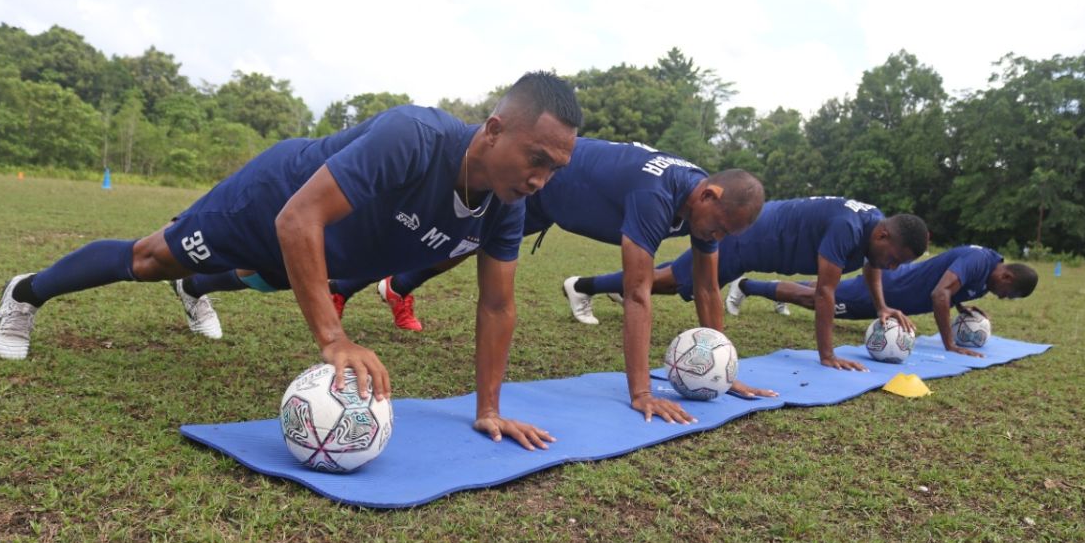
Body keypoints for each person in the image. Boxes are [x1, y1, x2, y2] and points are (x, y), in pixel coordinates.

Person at [0, 72, 581, 450]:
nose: (540, 179)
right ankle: (25, 294)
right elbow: (298, 220)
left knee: (265, 278)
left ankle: (198, 289)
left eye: (555, 168)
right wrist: (334, 338)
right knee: (149, 260)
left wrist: (489, 410)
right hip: (271, 202)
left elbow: (498, 304)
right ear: (493, 130)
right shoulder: (414, 137)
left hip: (331, 246)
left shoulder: (506, 204)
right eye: (536, 159)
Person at [330, 138, 770, 422]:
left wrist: (725, 369)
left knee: (463, 247)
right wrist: (640, 392)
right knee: (448, 240)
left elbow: (708, 287)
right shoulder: (657, 194)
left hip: (555, 202)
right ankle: (343, 285)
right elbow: (636, 293)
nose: (717, 238)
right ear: (709, 195)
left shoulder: (704, 211)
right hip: (540, 183)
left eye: (726, 235)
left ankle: (397, 287)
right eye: (720, 229)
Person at [578, 196, 930, 371]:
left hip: (758, 244)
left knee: (674, 277)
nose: (892, 266)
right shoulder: (849, 228)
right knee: (673, 281)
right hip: (747, 240)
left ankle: (611, 286)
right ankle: (584, 286)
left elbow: (873, 264)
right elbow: (825, 292)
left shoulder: (876, 229)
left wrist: (882, 305)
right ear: (884, 234)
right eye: (895, 259)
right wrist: (827, 355)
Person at [732, 245, 1038, 357]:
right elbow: (939, 294)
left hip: (892, 296)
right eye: (1008, 293)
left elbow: (952, 290)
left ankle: (771, 290)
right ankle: (747, 285)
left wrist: (962, 308)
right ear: (1008, 277)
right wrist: (950, 345)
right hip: (884, 291)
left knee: (821, 290)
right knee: (817, 299)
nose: (1002, 297)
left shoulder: (985, 277)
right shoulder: (979, 259)